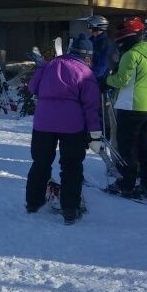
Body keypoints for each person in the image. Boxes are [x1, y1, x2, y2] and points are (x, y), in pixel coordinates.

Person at [26, 36, 102, 225]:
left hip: (43, 123)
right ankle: (70, 209)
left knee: (40, 162)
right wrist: (94, 133)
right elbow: (91, 106)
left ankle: (33, 203)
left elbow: (32, 87)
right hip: (72, 125)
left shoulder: (50, 65)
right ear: (87, 56)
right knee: (71, 166)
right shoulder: (85, 72)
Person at [105, 17, 147, 200]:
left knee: (127, 147)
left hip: (131, 106)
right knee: (146, 146)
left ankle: (126, 184)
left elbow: (121, 80)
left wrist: (106, 80)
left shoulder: (131, 55)